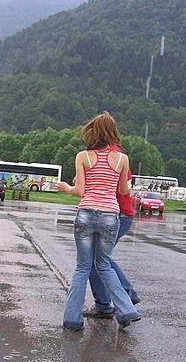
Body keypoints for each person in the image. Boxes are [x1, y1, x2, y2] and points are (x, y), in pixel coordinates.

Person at [57, 111, 140, 331]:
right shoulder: (122, 159)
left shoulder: (82, 156)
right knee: (104, 265)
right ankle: (127, 310)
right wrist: (129, 186)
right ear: (113, 132)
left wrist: (66, 188)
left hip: (86, 214)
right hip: (110, 215)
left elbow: (81, 190)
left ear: (93, 133)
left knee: (83, 267)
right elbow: (123, 190)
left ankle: (73, 320)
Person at [83, 142, 140, 320]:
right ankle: (124, 296)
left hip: (117, 214)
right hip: (119, 214)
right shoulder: (115, 155)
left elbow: (112, 188)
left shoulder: (111, 157)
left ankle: (107, 304)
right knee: (100, 259)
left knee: (97, 260)